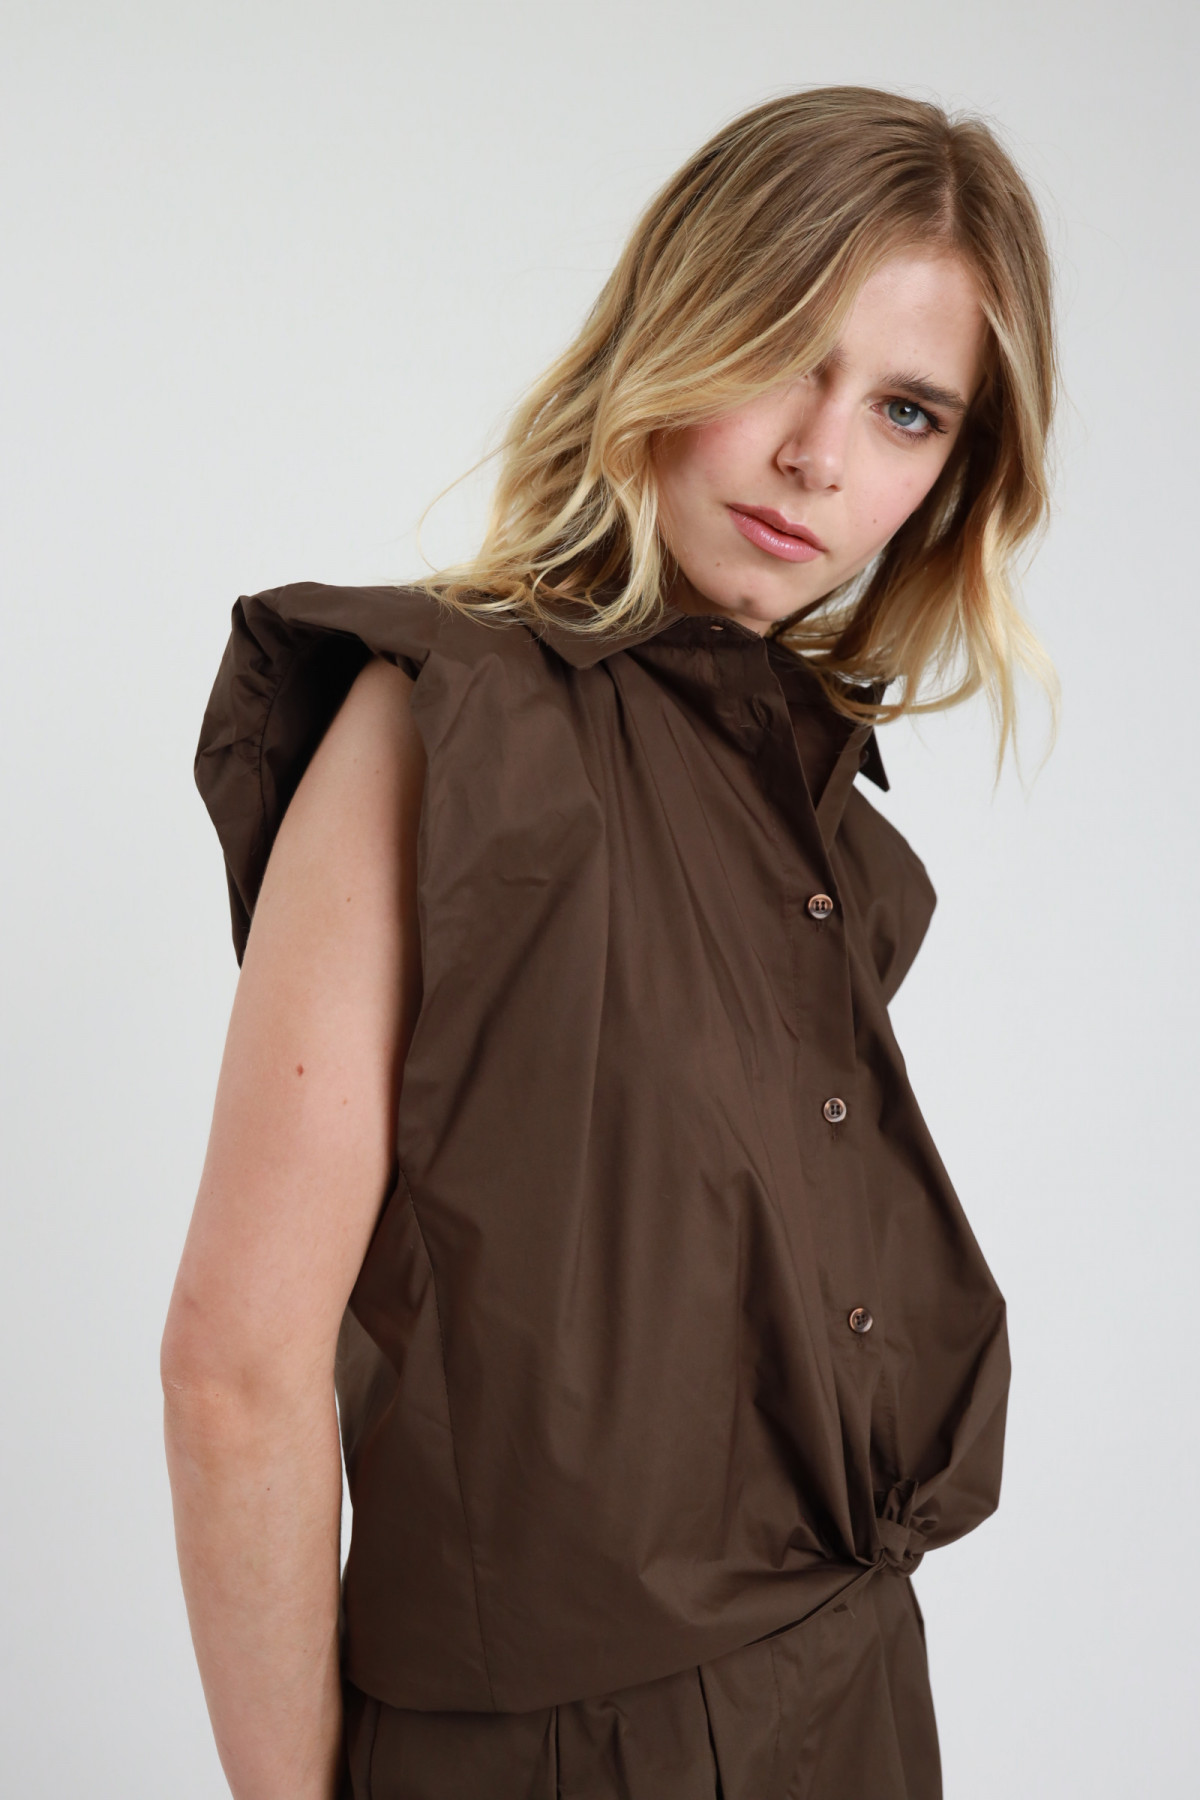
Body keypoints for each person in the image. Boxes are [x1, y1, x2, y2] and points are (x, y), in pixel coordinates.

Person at [162, 86, 1057, 1800]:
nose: (822, 457)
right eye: (780, 350)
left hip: (857, 1701)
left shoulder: (823, 826)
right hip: (563, 1750)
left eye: (906, 411)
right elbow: (235, 1372)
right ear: (670, 327)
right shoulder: (442, 726)